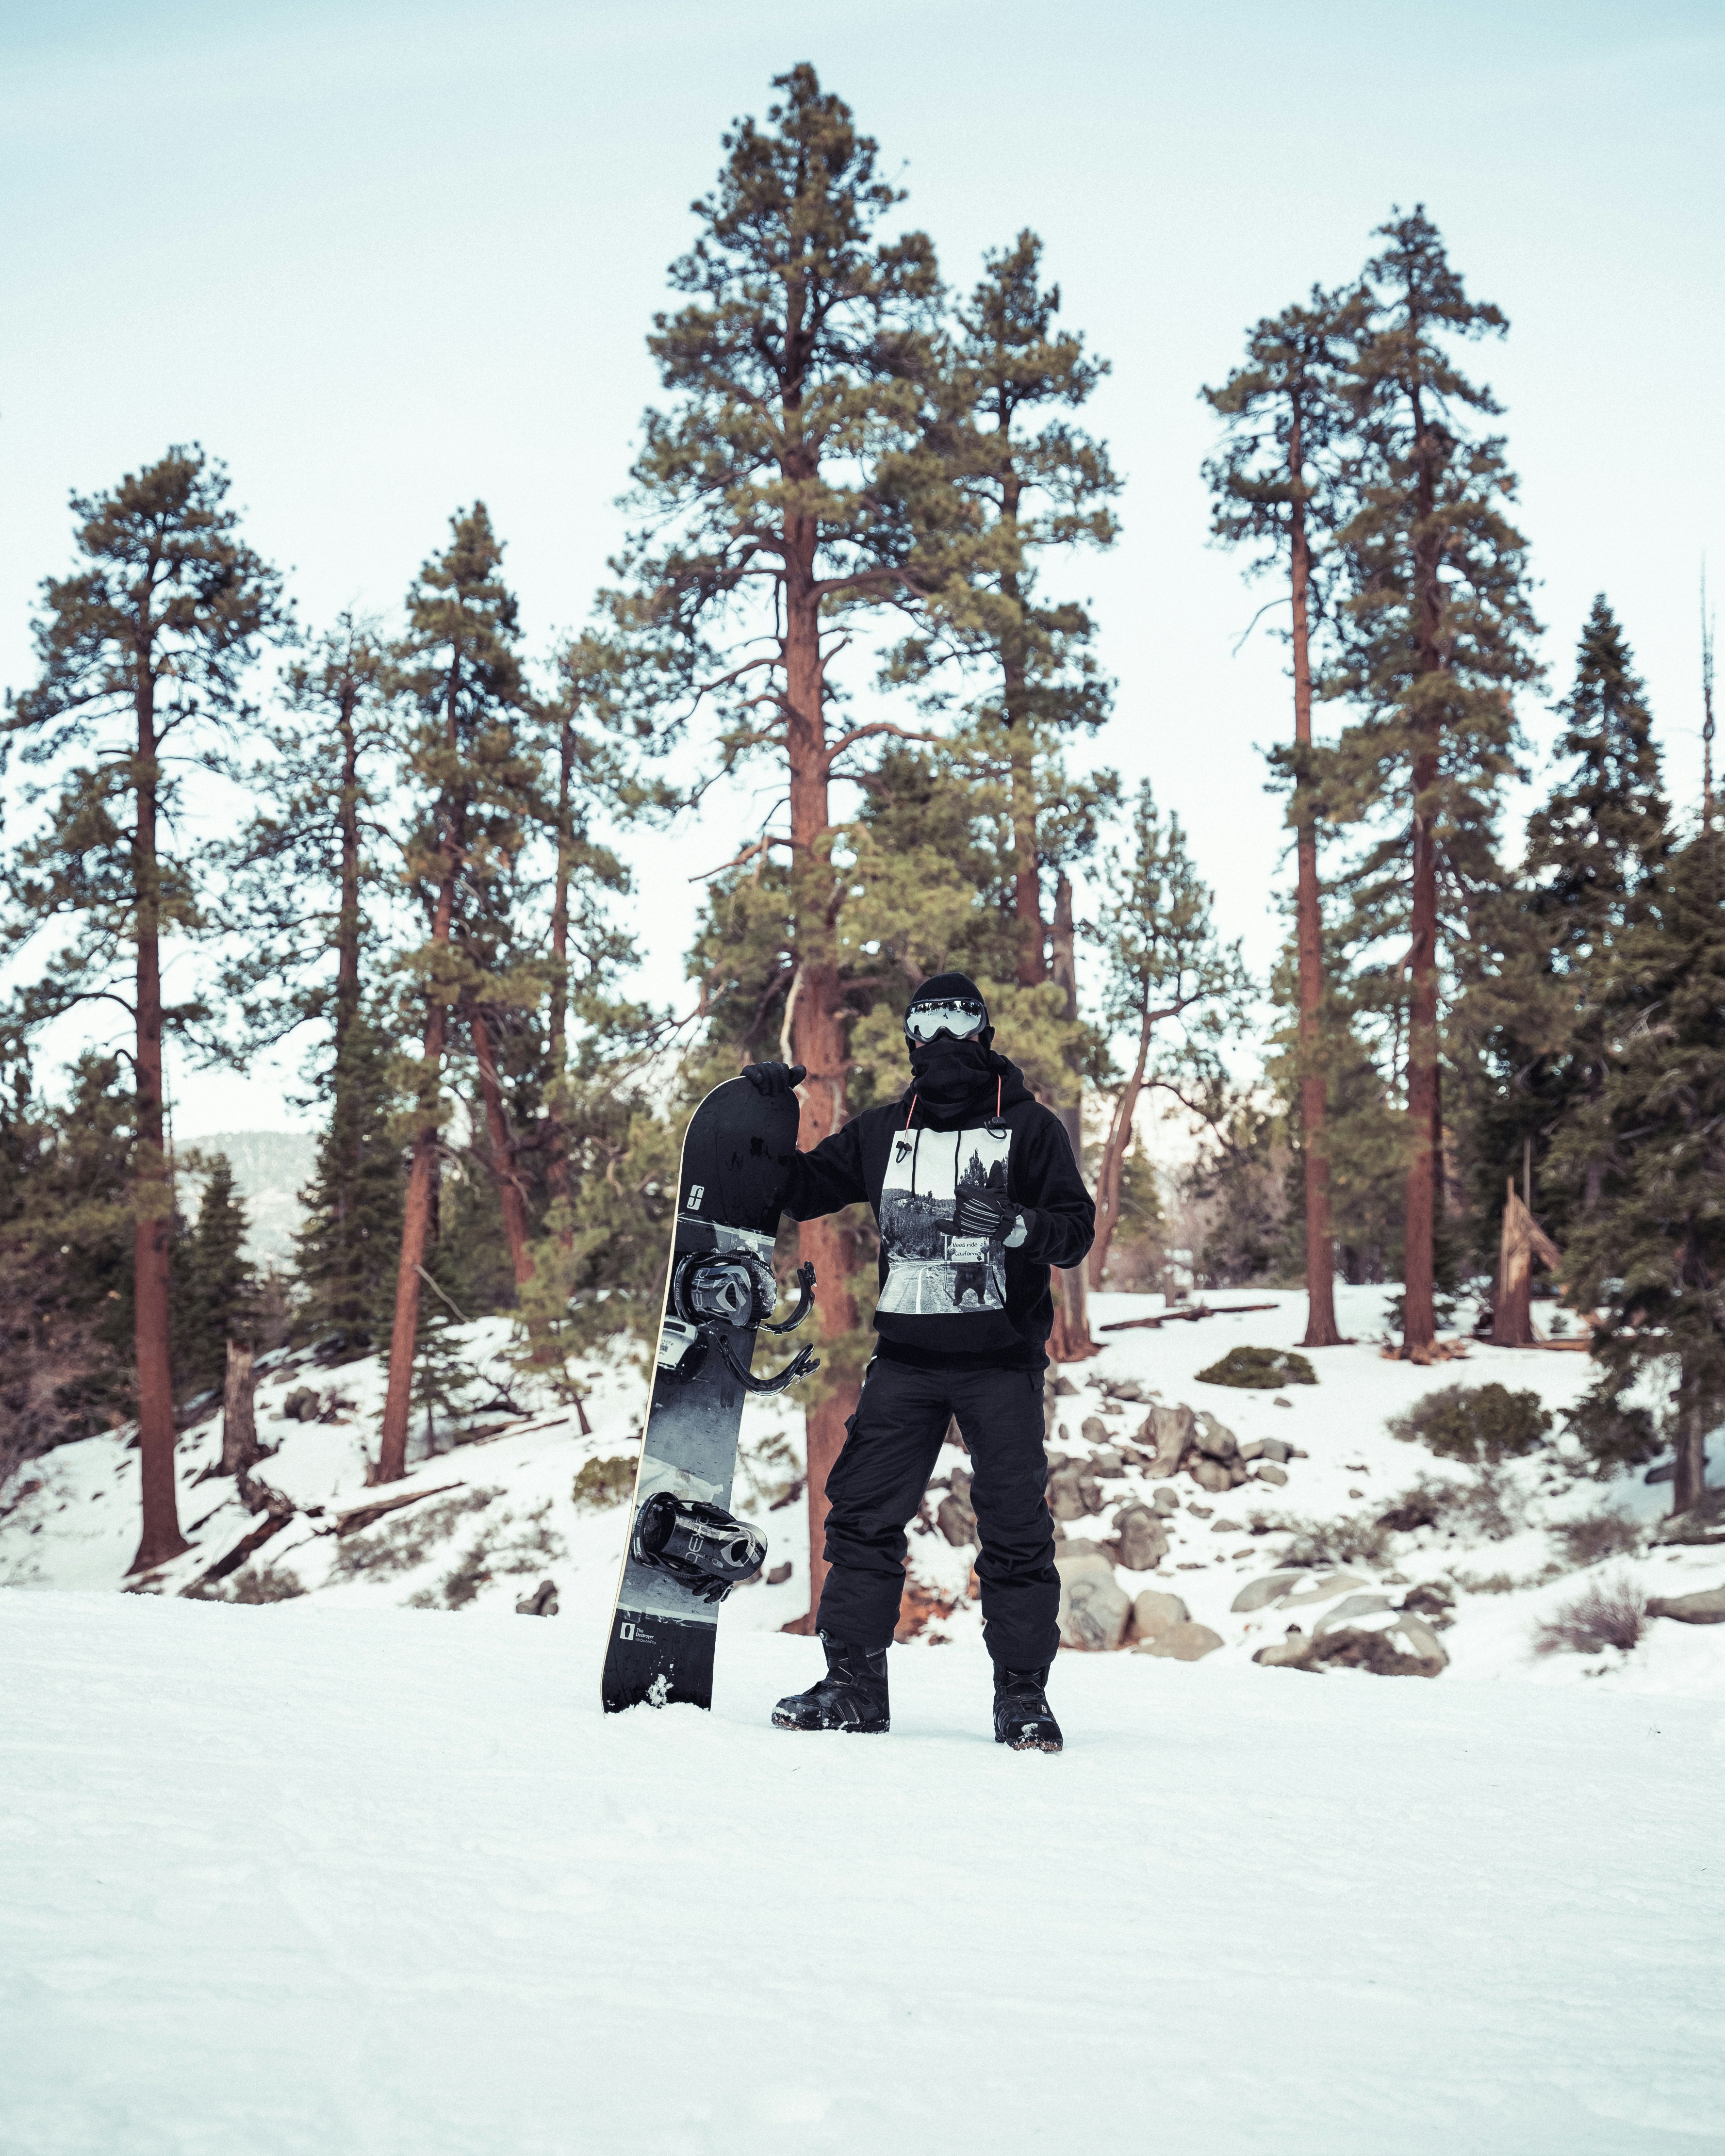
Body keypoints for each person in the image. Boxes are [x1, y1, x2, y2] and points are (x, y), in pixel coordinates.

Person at [741, 972, 1095, 1751]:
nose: (940, 1038)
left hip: (1001, 1364)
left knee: (1014, 1530)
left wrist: (1018, 1228)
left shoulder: (1031, 1131)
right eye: (925, 1021)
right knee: (863, 1519)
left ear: (984, 1031)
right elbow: (801, 1190)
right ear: (907, 1036)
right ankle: (853, 1687)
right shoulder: (881, 1130)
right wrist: (766, 1115)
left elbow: (1075, 1231)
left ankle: (1022, 1699)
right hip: (905, 1359)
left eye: (957, 1019)